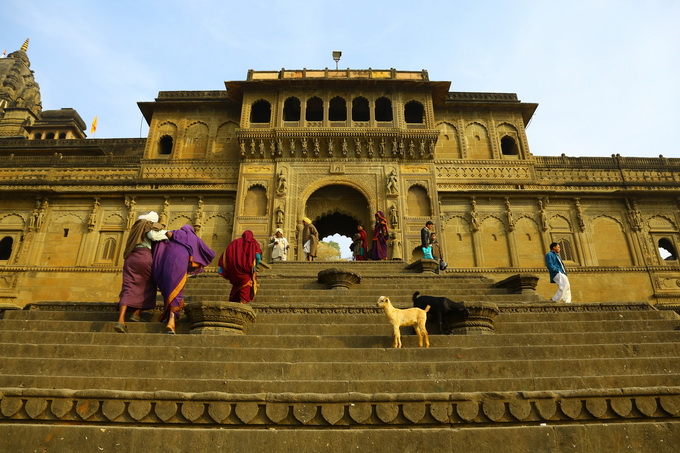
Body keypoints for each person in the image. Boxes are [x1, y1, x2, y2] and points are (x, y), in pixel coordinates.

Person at [153, 224, 215, 334]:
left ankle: (169, 317)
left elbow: (161, 237)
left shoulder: (174, 233)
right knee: (177, 290)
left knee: (169, 289)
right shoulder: (194, 238)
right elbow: (210, 253)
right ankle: (171, 320)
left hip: (166, 262)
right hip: (180, 264)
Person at [115, 211, 169, 333]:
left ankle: (121, 320)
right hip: (144, 257)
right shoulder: (147, 225)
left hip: (130, 259)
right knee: (148, 285)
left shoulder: (135, 227)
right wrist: (170, 234)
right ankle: (136, 312)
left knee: (128, 287)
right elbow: (154, 236)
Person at [218, 230, 262, 303]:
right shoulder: (253, 243)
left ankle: (235, 301)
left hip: (235, 271)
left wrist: (222, 268)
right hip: (246, 270)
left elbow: (226, 253)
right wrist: (254, 266)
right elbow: (257, 257)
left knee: (237, 285)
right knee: (246, 284)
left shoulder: (235, 243)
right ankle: (242, 303)